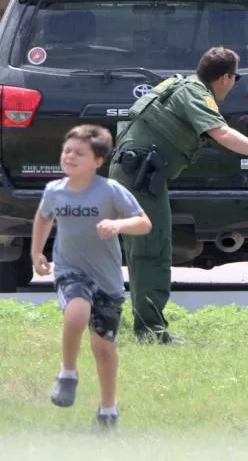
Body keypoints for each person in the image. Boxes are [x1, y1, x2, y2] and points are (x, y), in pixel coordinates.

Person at [108, 47, 248, 344]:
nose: (233, 83)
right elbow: (222, 133)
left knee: (142, 251)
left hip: (135, 174)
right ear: (225, 77)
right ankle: (150, 331)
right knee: (151, 251)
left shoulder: (180, 84)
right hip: (139, 177)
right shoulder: (196, 94)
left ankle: (135, 324)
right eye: (235, 77)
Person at [31, 125, 153, 429]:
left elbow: (144, 223)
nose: (69, 156)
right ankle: (68, 374)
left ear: (98, 161)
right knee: (76, 315)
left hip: (107, 280)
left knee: (103, 348)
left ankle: (108, 410)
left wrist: (118, 225)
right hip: (70, 269)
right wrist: (36, 252)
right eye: (66, 151)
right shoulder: (55, 190)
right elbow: (43, 217)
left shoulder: (110, 190)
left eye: (79, 153)